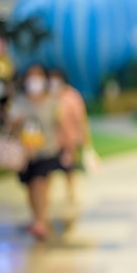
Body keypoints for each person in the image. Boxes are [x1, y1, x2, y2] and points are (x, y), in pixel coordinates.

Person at [8, 64, 69, 239]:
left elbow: (60, 124)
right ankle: (37, 218)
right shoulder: (19, 101)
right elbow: (11, 125)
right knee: (30, 187)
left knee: (40, 184)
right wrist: (14, 122)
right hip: (25, 153)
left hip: (47, 150)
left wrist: (67, 147)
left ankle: (40, 221)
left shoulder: (52, 101)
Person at [48, 68, 92, 204]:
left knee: (69, 168)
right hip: (50, 142)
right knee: (47, 170)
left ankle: (71, 193)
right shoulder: (47, 96)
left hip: (68, 140)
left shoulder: (72, 96)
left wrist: (85, 140)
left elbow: (80, 119)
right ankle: (46, 196)